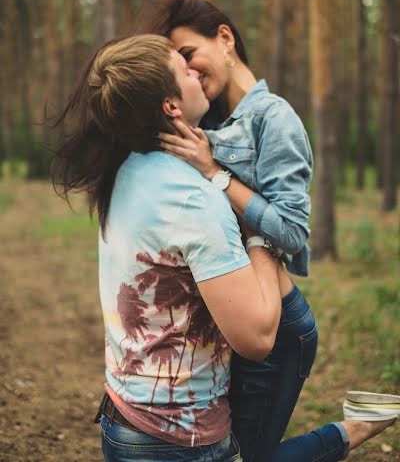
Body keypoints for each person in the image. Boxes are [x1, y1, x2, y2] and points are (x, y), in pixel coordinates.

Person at [51, 34, 397, 462]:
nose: (197, 74)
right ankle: (353, 430)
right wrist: (259, 232)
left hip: (124, 418)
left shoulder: (125, 170)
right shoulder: (193, 197)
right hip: (179, 439)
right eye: (185, 71)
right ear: (170, 106)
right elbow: (256, 337)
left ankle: (353, 429)